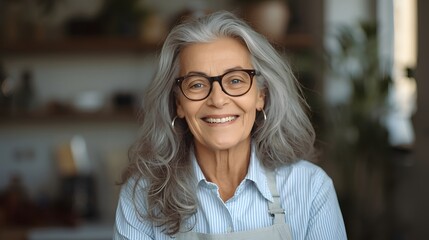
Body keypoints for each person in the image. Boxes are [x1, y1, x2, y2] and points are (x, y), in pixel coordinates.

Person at [113, 10, 347, 240]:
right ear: (179, 104)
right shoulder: (142, 197)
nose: (217, 99)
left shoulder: (311, 188)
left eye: (235, 80)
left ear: (260, 96)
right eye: (197, 84)